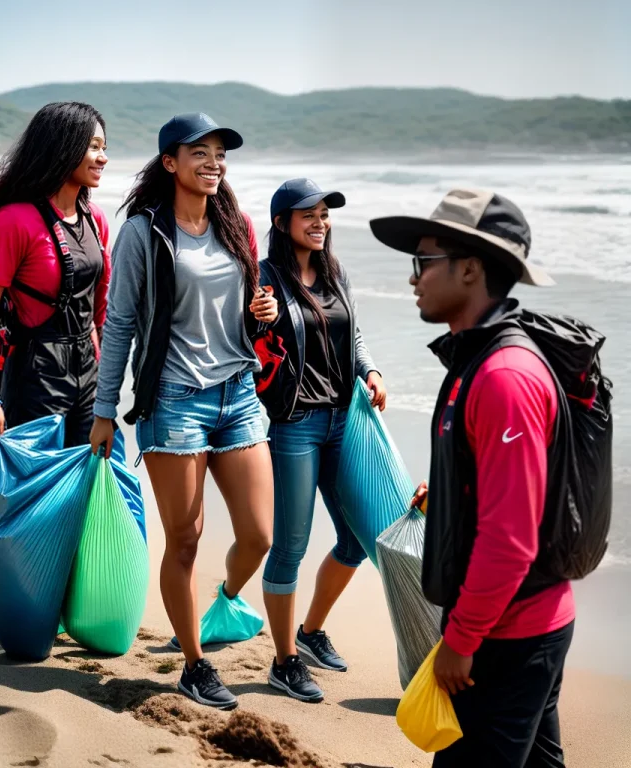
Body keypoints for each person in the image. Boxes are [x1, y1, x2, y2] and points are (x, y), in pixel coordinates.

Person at [370, 189, 575, 767]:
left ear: (470, 267)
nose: (414, 278)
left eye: (423, 260)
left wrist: (459, 642)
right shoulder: (474, 360)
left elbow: (511, 540)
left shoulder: (504, 375)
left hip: (506, 635)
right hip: (518, 623)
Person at [90, 113, 278, 710]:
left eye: (221, 153)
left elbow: (242, 304)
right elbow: (119, 323)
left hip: (238, 393)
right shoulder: (144, 232)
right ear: (170, 162)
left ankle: (219, 602)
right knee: (186, 538)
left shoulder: (236, 224)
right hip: (173, 401)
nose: (214, 162)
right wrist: (104, 409)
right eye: (200, 152)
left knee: (258, 535)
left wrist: (260, 311)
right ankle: (195, 663)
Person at [246, 178, 386, 702]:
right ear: (282, 223)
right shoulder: (263, 278)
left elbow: (353, 334)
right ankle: (282, 662)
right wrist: (255, 318)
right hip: (295, 424)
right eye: (308, 214)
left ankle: (309, 633)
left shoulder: (335, 273)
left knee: (355, 540)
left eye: (325, 214)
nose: (320, 222)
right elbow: (246, 336)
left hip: (342, 420)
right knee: (291, 547)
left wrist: (369, 371)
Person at [0, 102, 110, 447]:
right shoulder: (14, 221)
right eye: (93, 147)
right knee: (38, 493)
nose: (103, 158)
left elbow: (101, 310)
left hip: (89, 373)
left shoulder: (95, 218)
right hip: (35, 373)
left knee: (87, 489)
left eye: (104, 148)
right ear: (63, 147)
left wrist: (107, 386)